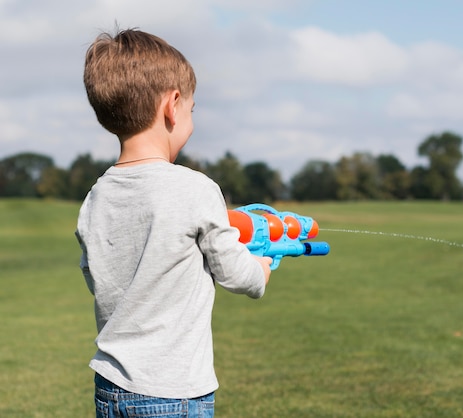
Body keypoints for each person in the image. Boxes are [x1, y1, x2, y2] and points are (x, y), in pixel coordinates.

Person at [75, 28, 272, 418]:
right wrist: (261, 269)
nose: (191, 122)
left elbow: (93, 274)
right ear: (173, 105)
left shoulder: (96, 194)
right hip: (172, 392)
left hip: (110, 387)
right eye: (192, 110)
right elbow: (236, 274)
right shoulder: (195, 188)